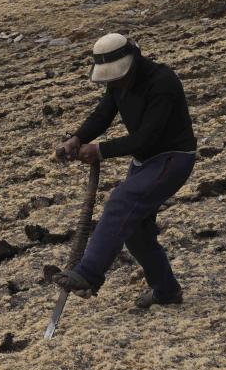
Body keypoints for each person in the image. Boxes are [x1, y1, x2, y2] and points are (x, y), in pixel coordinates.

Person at [53, 33, 197, 309]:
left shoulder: (162, 82)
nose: (114, 82)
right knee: (136, 231)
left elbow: (147, 137)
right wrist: (77, 138)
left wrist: (100, 150)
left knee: (121, 202)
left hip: (172, 158)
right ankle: (167, 291)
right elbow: (102, 114)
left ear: (133, 61)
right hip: (145, 162)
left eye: (116, 76)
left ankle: (88, 273)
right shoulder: (119, 84)